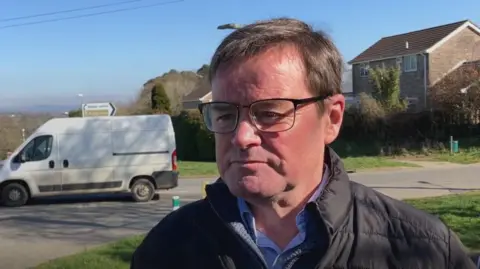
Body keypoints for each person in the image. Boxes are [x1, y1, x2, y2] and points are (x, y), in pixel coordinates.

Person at [131, 18, 475, 269]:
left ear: (332, 118)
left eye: (269, 113)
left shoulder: (424, 250)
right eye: (224, 114)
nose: (240, 136)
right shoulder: (167, 249)